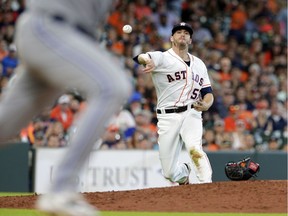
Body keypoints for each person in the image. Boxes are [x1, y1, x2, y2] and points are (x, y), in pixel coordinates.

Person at [0, 1, 132, 216]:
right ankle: (61, 189)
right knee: (112, 86)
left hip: (60, 35)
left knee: (5, 125)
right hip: (51, 26)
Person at [133, 22, 214, 185]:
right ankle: (183, 174)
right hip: (167, 117)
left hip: (192, 113)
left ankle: (207, 187)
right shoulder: (163, 58)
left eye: (186, 33)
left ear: (190, 40)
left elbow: (208, 93)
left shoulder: (199, 64)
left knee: (194, 149)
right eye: (178, 32)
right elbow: (142, 57)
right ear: (171, 38)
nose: (182, 34)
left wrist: (206, 105)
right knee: (169, 172)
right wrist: (147, 61)